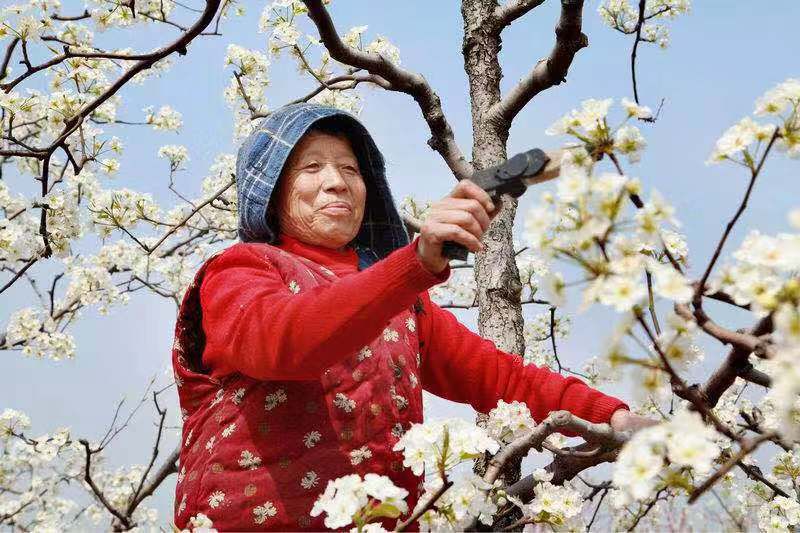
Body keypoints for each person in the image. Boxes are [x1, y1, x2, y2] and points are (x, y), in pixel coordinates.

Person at [171, 102, 649, 531]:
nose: (337, 181)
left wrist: (614, 417)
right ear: (273, 191)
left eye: (350, 168)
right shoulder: (240, 271)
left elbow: (503, 379)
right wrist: (413, 263)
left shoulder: (403, 302)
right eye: (311, 167)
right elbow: (287, 342)